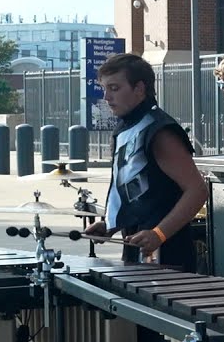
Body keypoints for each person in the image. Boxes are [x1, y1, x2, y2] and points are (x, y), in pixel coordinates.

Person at [84, 53, 207, 272]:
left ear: (139, 89)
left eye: (114, 88)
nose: (106, 97)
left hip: (168, 253)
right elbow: (136, 192)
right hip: (136, 245)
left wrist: (159, 233)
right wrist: (111, 225)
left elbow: (197, 190)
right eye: (104, 89)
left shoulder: (159, 130)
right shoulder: (126, 128)